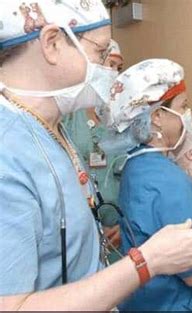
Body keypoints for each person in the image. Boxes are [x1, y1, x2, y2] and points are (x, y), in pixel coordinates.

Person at [0, 1, 192, 310]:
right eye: (101, 53)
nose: (110, 76)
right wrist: (147, 261)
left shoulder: (49, 126)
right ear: (52, 43)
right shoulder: (8, 153)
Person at [101, 58, 192, 311]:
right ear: (157, 116)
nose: (187, 115)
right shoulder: (166, 179)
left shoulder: (136, 166)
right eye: (183, 106)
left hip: (149, 299)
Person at [62, 39, 125, 256]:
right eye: (110, 64)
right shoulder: (67, 116)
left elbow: (138, 176)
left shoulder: (125, 119)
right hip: (80, 231)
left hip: (123, 231)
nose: (114, 73)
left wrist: (127, 223)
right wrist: (93, 227)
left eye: (119, 67)